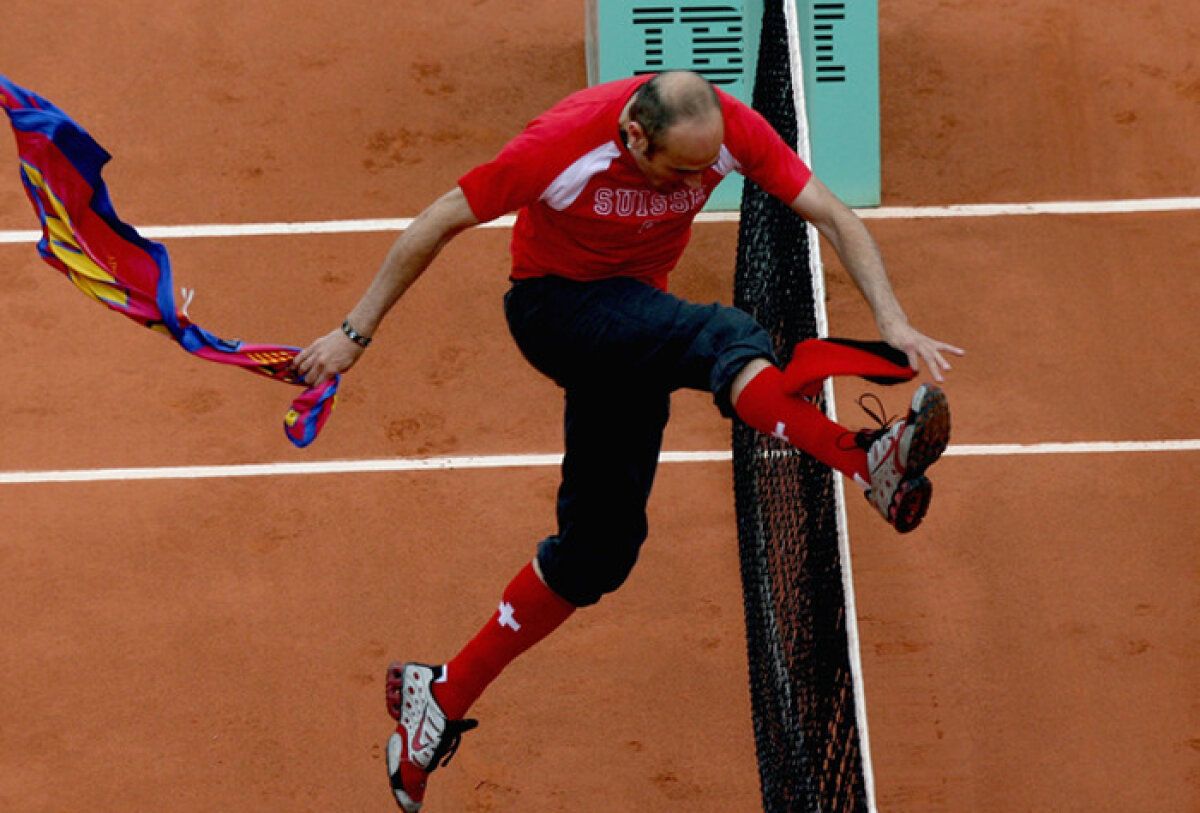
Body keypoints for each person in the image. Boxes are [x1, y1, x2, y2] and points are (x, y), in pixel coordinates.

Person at [294, 70, 963, 811]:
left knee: (598, 552)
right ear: (634, 136)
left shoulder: (726, 131)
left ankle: (438, 698)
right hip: (556, 309)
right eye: (681, 170)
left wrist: (893, 319)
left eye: (706, 167)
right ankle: (864, 457)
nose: (698, 179)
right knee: (728, 338)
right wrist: (352, 334)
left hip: (636, 324)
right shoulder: (561, 144)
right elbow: (437, 221)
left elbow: (833, 215)